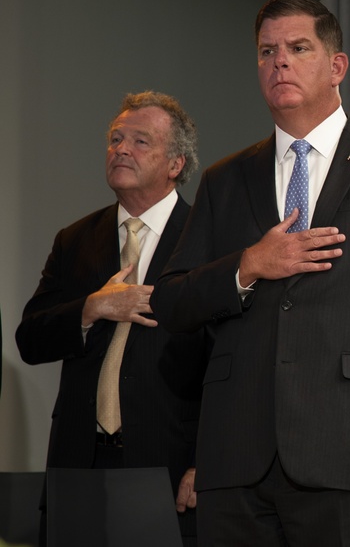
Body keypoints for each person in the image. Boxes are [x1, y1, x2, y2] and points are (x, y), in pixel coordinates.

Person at [150, 0, 350, 546]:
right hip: (236, 456)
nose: (278, 62)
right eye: (267, 51)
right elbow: (170, 301)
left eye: (297, 48)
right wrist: (247, 266)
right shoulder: (225, 178)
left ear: (336, 66)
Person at [16, 91, 207, 546]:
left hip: (168, 468)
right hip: (80, 463)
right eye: (115, 139)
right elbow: (30, 339)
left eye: (140, 141)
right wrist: (92, 308)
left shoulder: (207, 238)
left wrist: (209, 462)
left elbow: (231, 364)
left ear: (176, 164)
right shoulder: (76, 239)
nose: (121, 149)